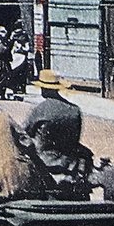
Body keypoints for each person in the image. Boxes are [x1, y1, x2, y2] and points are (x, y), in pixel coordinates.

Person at [23, 69, 93, 198]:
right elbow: (76, 136)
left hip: (44, 159)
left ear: (43, 89)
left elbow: (26, 132)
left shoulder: (40, 109)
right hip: (69, 160)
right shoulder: (74, 110)